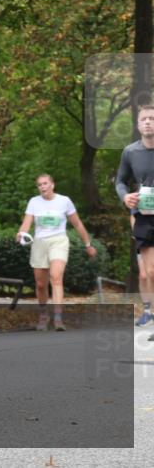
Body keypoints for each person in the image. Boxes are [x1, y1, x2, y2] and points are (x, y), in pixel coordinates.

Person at [15, 174, 96, 332]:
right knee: (40, 284)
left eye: (45, 183)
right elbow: (26, 223)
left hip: (59, 241)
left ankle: (58, 318)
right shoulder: (34, 202)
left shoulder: (64, 201)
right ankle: (44, 314)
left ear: (52, 184)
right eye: (39, 185)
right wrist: (20, 233)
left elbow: (77, 223)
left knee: (56, 276)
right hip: (39, 242)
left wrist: (88, 244)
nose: (42, 187)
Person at [114, 104, 154, 332]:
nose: (148, 122)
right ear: (138, 125)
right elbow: (120, 181)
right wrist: (125, 196)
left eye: (152, 118)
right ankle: (149, 311)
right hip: (143, 215)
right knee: (148, 272)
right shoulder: (130, 152)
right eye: (144, 119)